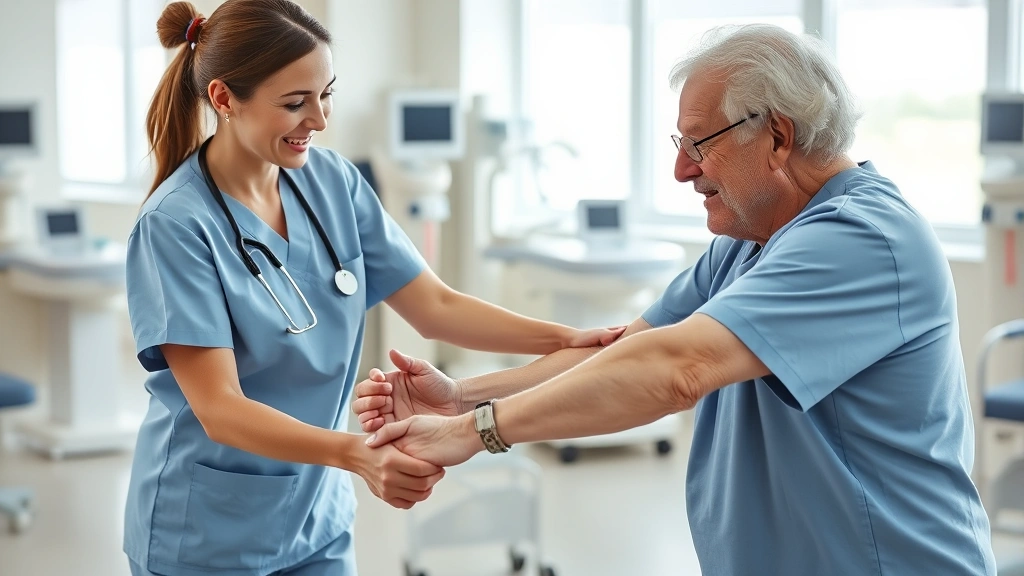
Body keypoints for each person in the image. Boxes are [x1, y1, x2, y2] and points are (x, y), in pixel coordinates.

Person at [355, 23, 997, 576]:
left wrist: (477, 432)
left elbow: (676, 369)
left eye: (700, 143)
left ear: (776, 135)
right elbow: (629, 351)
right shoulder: (750, 241)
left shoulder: (864, 239)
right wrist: (466, 394)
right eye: (678, 146)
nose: (682, 171)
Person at [123, 1, 624, 575]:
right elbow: (220, 408)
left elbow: (435, 307)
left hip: (316, 516)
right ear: (223, 99)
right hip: (207, 529)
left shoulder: (332, 180)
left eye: (325, 93)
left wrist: (565, 339)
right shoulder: (177, 225)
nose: (319, 118)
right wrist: (354, 455)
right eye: (294, 103)